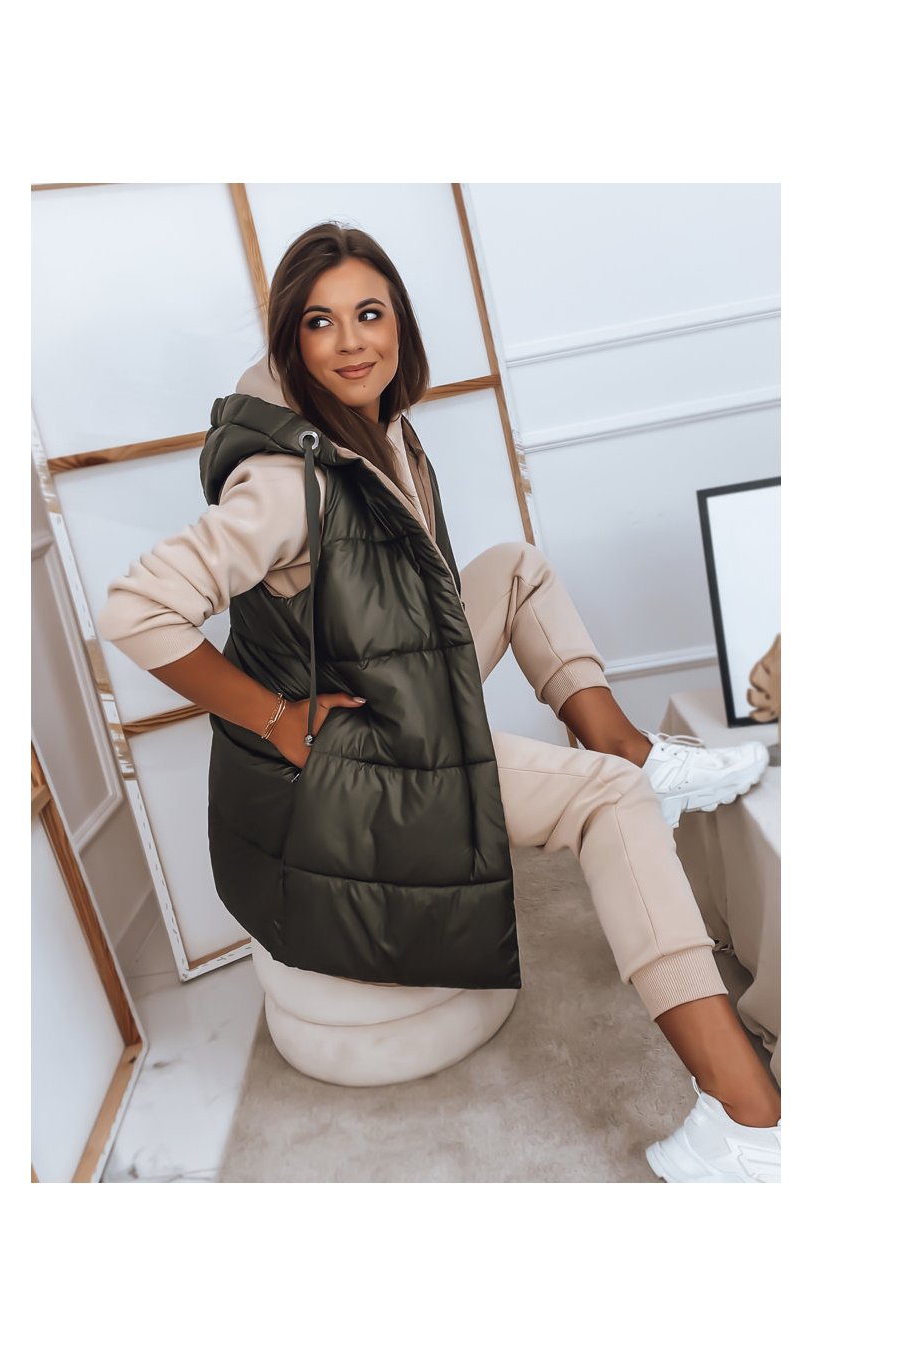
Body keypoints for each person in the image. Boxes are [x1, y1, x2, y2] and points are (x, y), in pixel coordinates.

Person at [97, 222, 781, 1182]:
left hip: (395, 716)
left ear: (400, 323)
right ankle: (749, 1120)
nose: (351, 342)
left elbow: (397, 609)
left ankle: (631, 748)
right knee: (604, 802)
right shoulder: (284, 483)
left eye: (369, 314)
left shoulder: (376, 428)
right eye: (320, 323)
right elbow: (134, 612)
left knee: (516, 568)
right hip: (341, 780)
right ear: (290, 341)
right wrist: (277, 718)